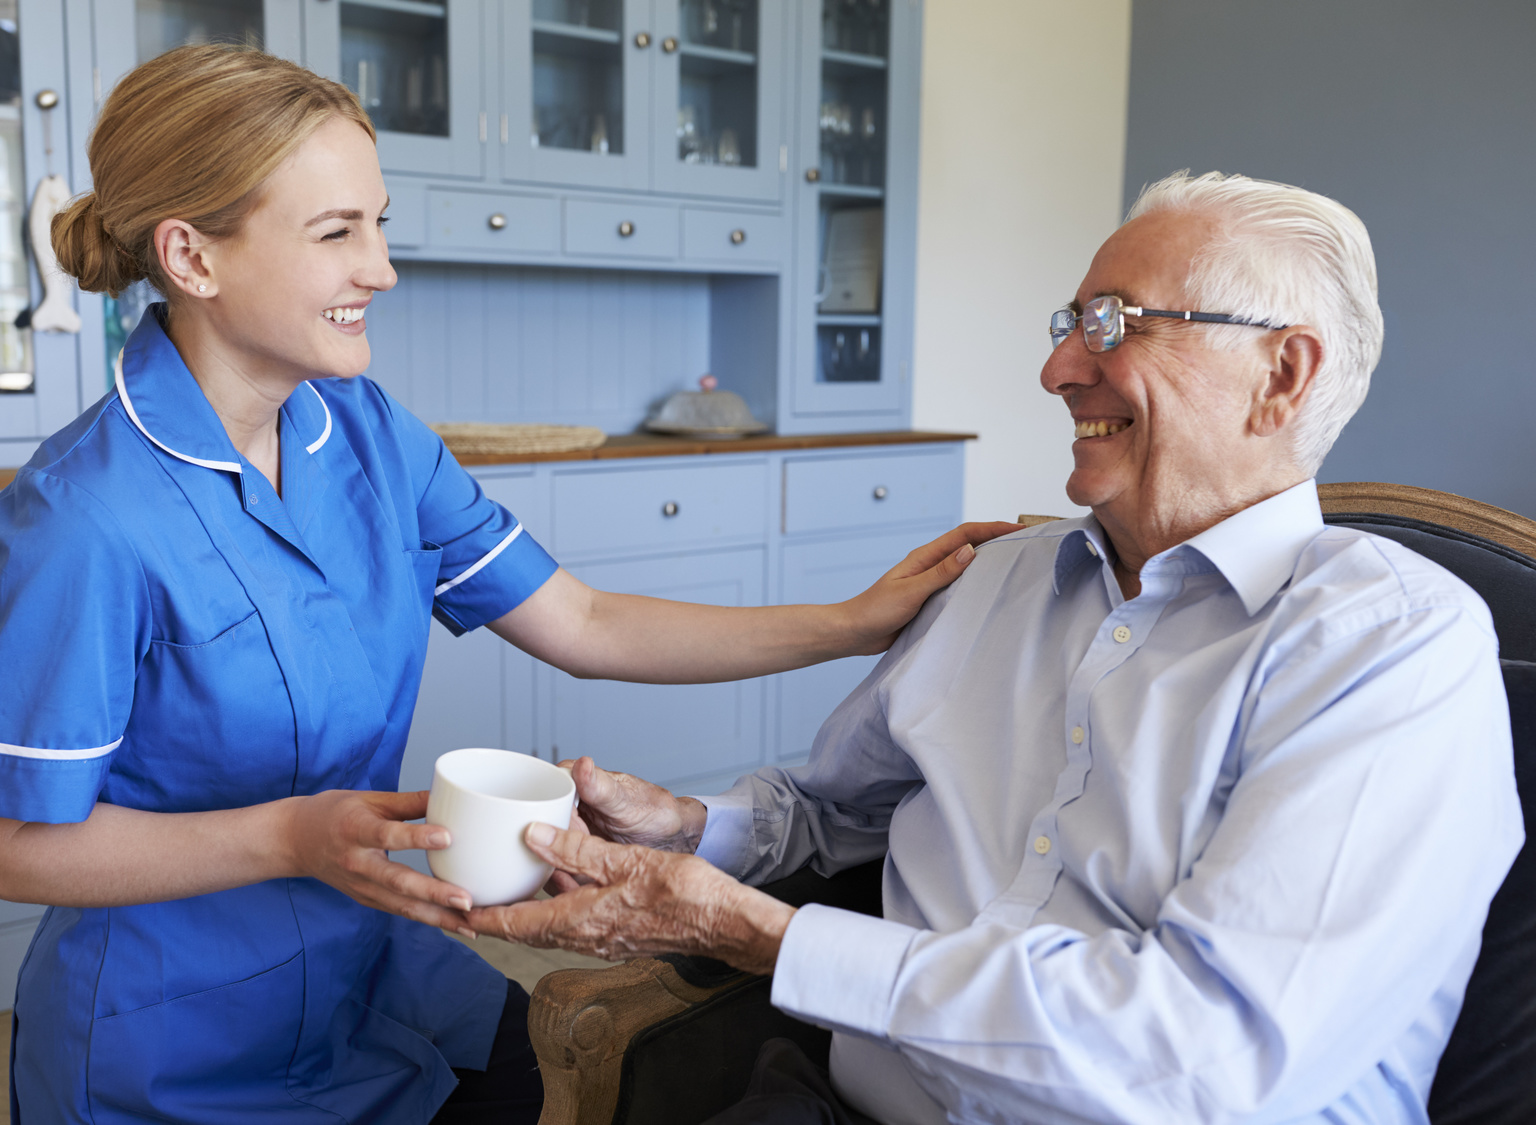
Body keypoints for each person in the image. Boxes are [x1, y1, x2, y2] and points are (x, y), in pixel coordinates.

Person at [0, 45, 1012, 1124]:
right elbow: (7, 849)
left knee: (571, 1082)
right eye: (337, 233)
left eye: (377, 222)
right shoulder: (79, 522)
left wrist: (850, 624)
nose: (382, 269)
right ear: (191, 256)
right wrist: (287, 836)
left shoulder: (367, 437)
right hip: (176, 1036)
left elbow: (586, 620)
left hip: (383, 968)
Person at [469, 172, 1526, 1124]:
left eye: (1113, 324)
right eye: (1070, 320)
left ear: (1281, 374)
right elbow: (842, 811)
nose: (1057, 367)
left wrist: (765, 937)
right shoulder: (1003, 577)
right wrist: (690, 827)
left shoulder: (1386, 646)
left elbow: (1205, 1063)